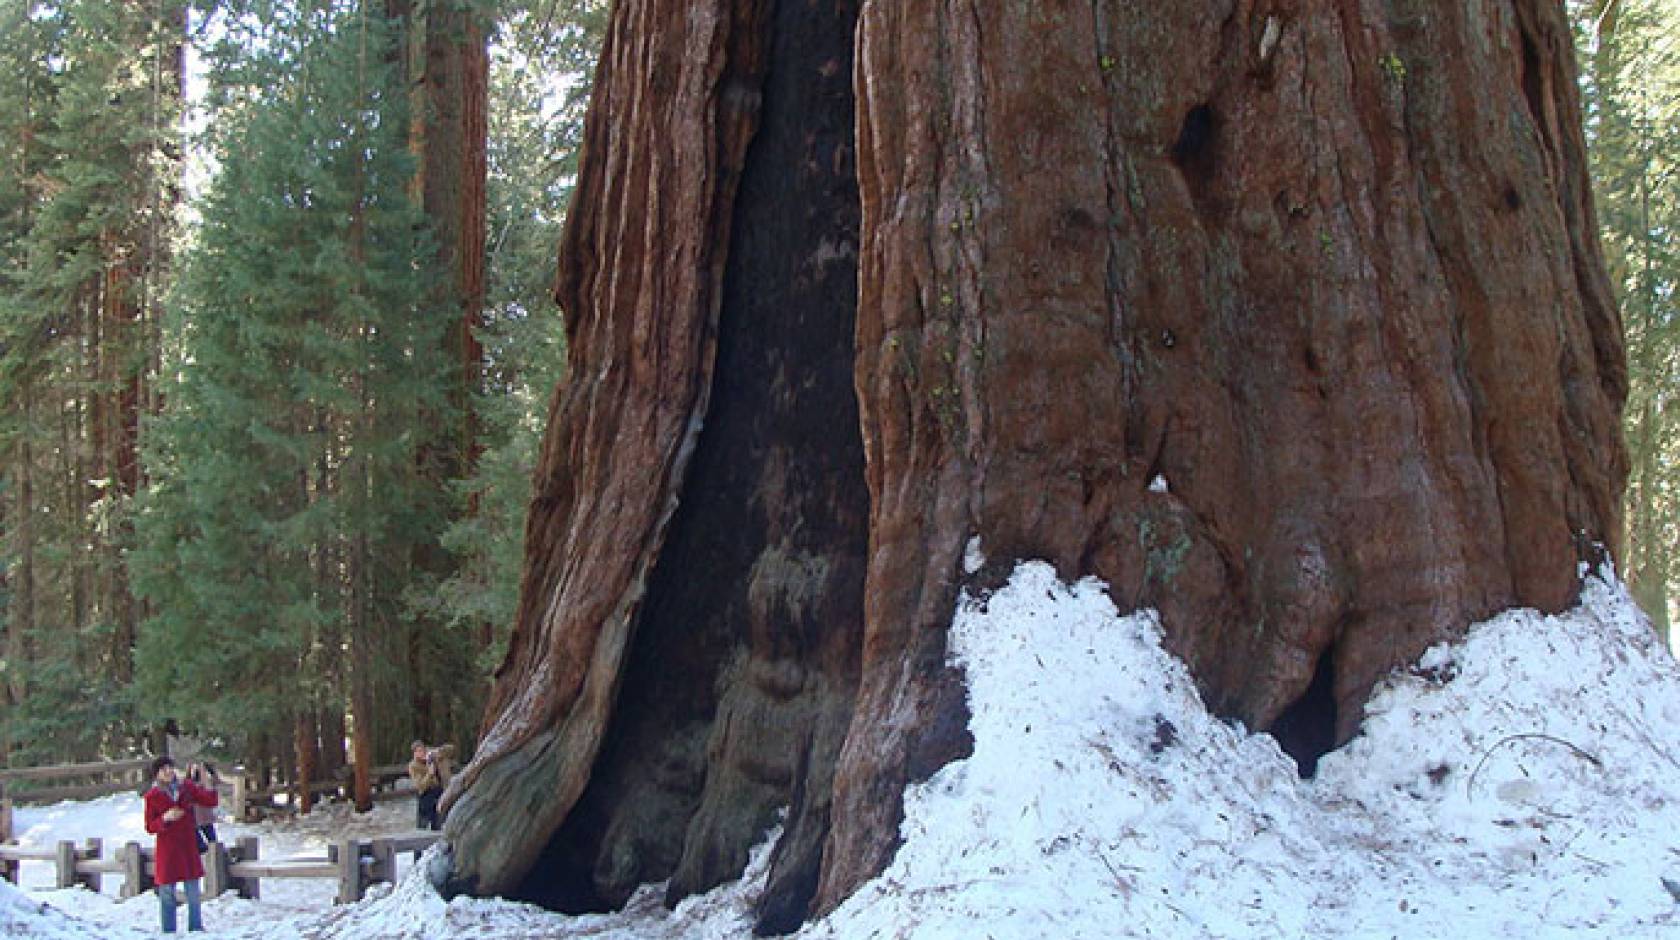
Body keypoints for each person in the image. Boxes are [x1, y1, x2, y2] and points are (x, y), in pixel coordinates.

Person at [143, 755, 218, 933]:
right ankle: (168, 931)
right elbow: (150, 826)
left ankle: (196, 928)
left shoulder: (186, 787)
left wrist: (209, 784)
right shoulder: (152, 796)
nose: (168, 772)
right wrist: (164, 818)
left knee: (193, 891)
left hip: (187, 846)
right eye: (163, 770)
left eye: (170, 767)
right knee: (167, 892)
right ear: (157, 775)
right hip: (167, 849)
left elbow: (210, 801)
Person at [408, 740, 455, 831]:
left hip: (440, 791)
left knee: (439, 820)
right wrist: (429, 774)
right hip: (426, 795)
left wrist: (438, 751)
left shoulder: (434, 757)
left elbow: (451, 749)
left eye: (422, 750)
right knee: (422, 824)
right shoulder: (414, 766)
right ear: (414, 753)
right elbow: (420, 785)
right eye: (418, 751)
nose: (421, 753)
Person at [185, 762, 221, 852]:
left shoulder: (208, 783)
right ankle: (205, 851)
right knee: (199, 841)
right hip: (194, 819)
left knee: (212, 842)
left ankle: (214, 854)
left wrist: (208, 773)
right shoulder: (189, 784)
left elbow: (213, 799)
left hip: (206, 818)